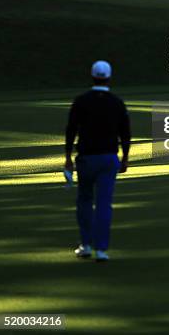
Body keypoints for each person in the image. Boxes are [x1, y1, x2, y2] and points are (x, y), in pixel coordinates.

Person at [64, 60, 131, 262]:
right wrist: (125, 158)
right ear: (109, 78)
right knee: (104, 204)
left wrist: (67, 157)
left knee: (84, 200)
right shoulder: (116, 102)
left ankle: (85, 245)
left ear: (92, 76)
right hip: (109, 158)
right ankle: (101, 250)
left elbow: (71, 130)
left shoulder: (81, 101)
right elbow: (125, 133)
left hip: (86, 158)